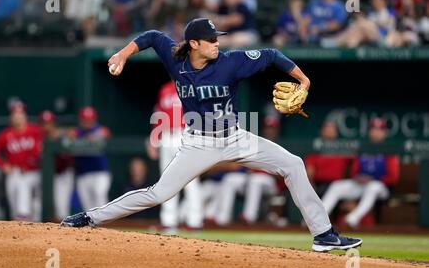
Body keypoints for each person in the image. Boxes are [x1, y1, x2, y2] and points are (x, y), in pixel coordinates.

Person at [61, 17, 362, 252]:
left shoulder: (231, 62)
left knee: (293, 163)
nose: (216, 43)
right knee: (159, 193)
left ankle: (323, 235)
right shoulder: (175, 59)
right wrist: (123, 54)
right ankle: (89, 218)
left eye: (217, 38)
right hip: (198, 143)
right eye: (210, 40)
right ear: (193, 43)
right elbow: (152, 36)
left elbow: (270, 55)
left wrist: (303, 80)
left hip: (235, 137)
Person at [321, 117, 400, 229]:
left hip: (382, 188)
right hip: (362, 184)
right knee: (336, 186)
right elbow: (354, 171)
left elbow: (393, 178)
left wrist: (373, 179)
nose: (376, 132)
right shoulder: (363, 148)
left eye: (379, 130)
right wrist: (358, 177)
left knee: (374, 187)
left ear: (384, 133)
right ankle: (319, 219)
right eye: (373, 129)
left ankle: (352, 218)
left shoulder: (390, 149)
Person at [147, 80, 203, 232]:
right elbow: (159, 115)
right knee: (167, 179)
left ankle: (194, 221)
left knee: (191, 179)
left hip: (186, 134)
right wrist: (154, 139)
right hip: (166, 136)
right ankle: (168, 220)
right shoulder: (165, 89)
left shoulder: (193, 86)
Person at [0, 102, 43, 221]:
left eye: (20, 114)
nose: (18, 117)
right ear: (11, 117)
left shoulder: (35, 131)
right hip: (15, 172)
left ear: (25, 115)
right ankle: (18, 233)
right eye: (15, 114)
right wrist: (2, 164)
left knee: (36, 206)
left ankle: (35, 228)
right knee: (15, 207)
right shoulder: (6, 134)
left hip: (36, 171)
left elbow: (49, 141)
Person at [69, 106, 112, 211]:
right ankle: (91, 226)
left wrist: (95, 136)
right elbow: (68, 135)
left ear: (94, 119)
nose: (87, 122)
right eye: (84, 119)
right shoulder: (76, 132)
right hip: (83, 174)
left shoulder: (98, 129)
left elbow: (106, 132)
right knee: (87, 206)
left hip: (100, 173)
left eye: (89, 120)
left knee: (100, 197)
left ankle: (104, 224)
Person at [38, 110, 75, 221]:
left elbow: (74, 133)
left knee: (61, 207)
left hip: (63, 173)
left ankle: (65, 233)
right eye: (44, 123)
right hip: (44, 175)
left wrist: (66, 135)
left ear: (53, 123)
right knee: (39, 206)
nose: (46, 126)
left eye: (49, 123)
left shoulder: (63, 134)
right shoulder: (37, 136)